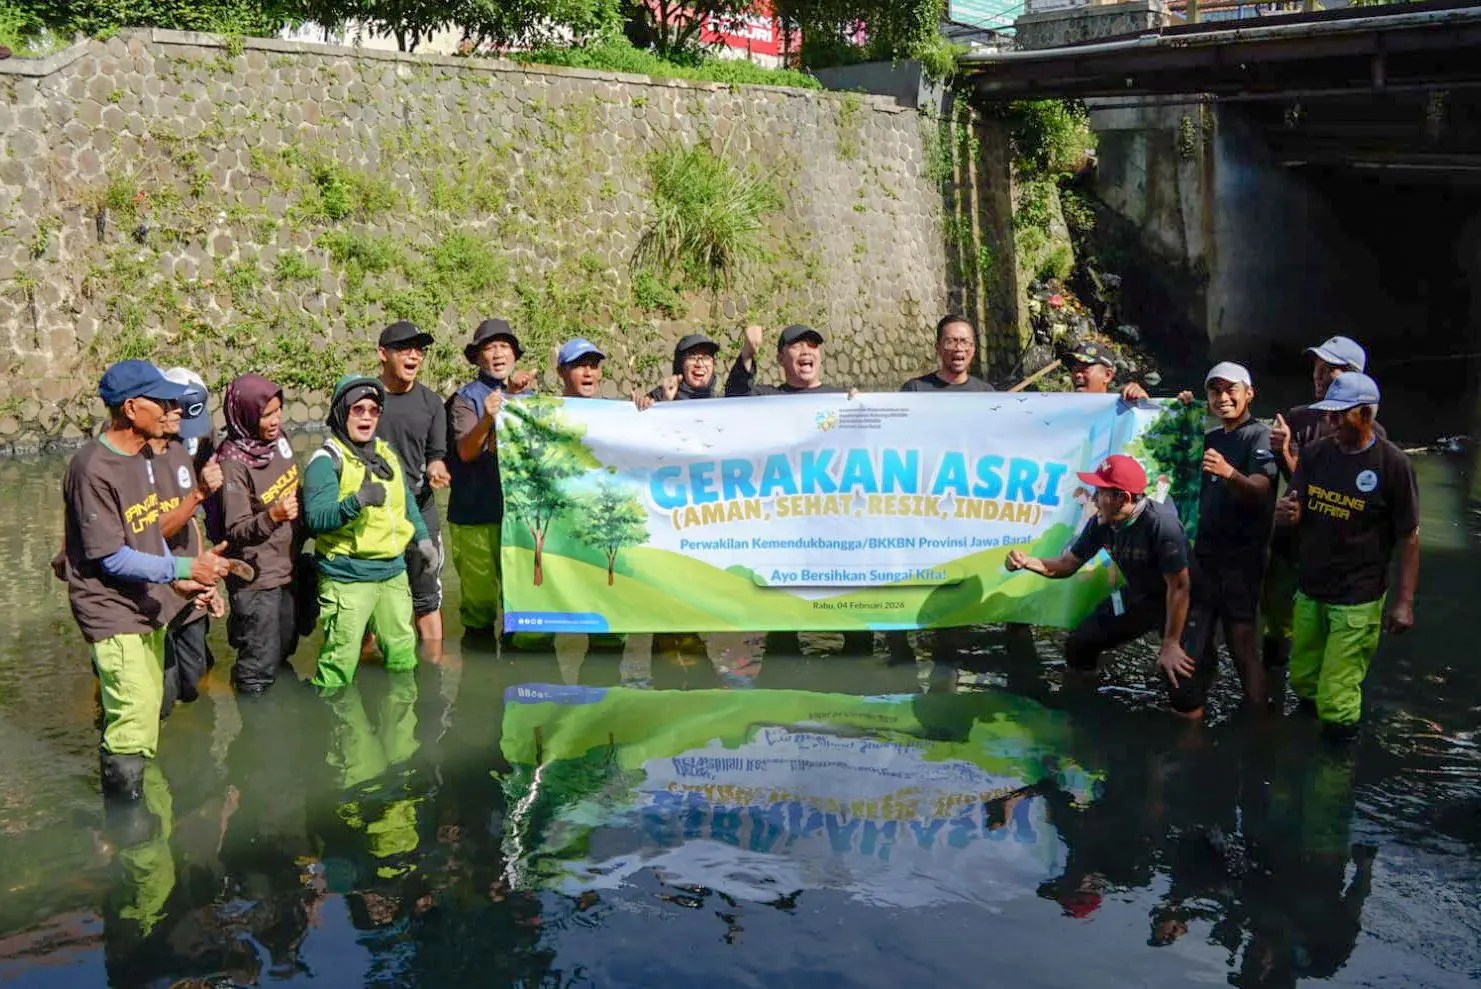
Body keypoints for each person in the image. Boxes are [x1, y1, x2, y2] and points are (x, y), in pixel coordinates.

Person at [61, 360, 232, 801]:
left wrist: (184, 583)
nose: (172, 410)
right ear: (132, 408)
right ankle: (126, 821)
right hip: (112, 613)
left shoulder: (140, 459)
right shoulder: (92, 468)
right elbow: (112, 557)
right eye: (162, 402)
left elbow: (148, 536)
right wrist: (184, 569)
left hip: (148, 603)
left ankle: (150, 811)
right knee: (131, 726)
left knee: (149, 712)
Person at [1003, 454, 1211, 717]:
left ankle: (1190, 731)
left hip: (1187, 603)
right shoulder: (1102, 523)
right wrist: (1027, 562)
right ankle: (1080, 708)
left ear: (1122, 497)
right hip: (1142, 596)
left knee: (1181, 685)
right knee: (1079, 645)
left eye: (1100, 491)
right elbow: (1067, 564)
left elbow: (1180, 587)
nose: (1094, 497)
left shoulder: (1162, 525)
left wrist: (1170, 643)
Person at [1275, 372, 1418, 739]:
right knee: (1304, 680)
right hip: (1311, 587)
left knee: (1337, 699)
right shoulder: (1315, 454)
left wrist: (1404, 602)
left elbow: (1409, 537)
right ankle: (1302, 746)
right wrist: (1289, 514)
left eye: (1340, 415)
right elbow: (1294, 503)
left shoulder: (1393, 465)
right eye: (1329, 414)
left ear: (1366, 414)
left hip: (1357, 597)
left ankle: (1333, 765)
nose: (1331, 422)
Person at [303, 375, 436, 690]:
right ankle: (334, 716)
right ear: (341, 412)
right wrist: (357, 502)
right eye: (358, 409)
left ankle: (401, 717)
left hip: (393, 574)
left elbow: (407, 502)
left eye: (374, 410)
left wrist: (423, 539)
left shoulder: (386, 454)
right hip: (348, 577)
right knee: (338, 668)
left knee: (403, 658)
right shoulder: (326, 461)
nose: (366, 417)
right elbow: (315, 519)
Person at [1261, 335, 1382, 679]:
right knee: (1277, 621)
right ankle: (1272, 681)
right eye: (1317, 367)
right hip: (1290, 541)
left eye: (1329, 370)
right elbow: (1295, 482)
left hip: (1334, 552)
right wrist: (1281, 451)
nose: (1318, 375)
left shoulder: (1374, 437)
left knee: (1324, 630)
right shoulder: (1298, 418)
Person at [1190, 362, 1279, 708]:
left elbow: (1261, 488)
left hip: (1242, 558)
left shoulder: (1260, 435)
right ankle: (1195, 707)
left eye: (1231, 390)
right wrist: (1178, 410)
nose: (1223, 398)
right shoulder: (1210, 438)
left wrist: (1229, 473)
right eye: (1215, 391)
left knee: (1241, 642)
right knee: (1198, 638)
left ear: (1249, 394)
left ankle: (1261, 720)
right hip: (1204, 554)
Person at [446, 319, 534, 636]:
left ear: (514, 355)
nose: (498, 354)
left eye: (504, 346)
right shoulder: (464, 399)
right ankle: (477, 662)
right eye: (490, 347)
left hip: (520, 518)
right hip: (474, 517)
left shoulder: (531, 398)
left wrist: (513, 396)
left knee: (524, 605)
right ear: (478, 357)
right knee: (479, 609)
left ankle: (519, 661)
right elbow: (467, 451)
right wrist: (488, 417)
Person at [219, 373, 304, 694]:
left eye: (278, 411)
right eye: (266, 415)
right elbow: (235, 529)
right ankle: (252, 714)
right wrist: (273, 516)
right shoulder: (233, 463)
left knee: (284, 648)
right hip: (257, 577)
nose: (275, 420)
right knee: (257, 666)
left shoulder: (279, 441)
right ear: (246, 415)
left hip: (288, 566)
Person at [151, 368, 226, 714]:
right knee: (160, 695)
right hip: (154, 585)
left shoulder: (183, 451)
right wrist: (198, 494)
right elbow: (145, 536)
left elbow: (191, 522)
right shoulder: (133, 462)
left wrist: (205, 576)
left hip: (188, 581)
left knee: (193, 681)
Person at [373, 320, 451, 642]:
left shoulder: (431, 403)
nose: (414, 356)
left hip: (420, 512)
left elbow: (436, 454)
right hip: (374, 515)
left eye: (419, 350)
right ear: (383, 354)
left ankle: (434, 662)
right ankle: (368, 662)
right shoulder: (365, 399)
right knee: (370, 602)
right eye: (404, 349)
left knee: (427, 599)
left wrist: (436, 469)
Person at [724, 323, 855, 397]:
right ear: (780, 359)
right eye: (797, 346)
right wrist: (747, 353)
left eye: (812, 345)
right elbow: (736, 395)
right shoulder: (770, 398)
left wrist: (860, 404)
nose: (806, 351)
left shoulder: (842, 398)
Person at [901, 315, 994, 392]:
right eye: (950, 342)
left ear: (973, 348)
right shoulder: (916, 390)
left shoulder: (985, 393)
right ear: (938, 348)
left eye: (965, 342)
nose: (958, 348)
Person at [637, 333, 722, 408]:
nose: (700, 364)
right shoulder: (658, 397)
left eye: (706, 357)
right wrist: (665, 402)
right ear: (680, 364)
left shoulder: (722, 403)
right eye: (692, 357)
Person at [1067, 341, 1150, 402]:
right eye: (1075, 369)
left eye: (1084, 369)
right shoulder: (1064, 408)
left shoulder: (1123, 407)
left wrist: (1143, 402)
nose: (1077, 374)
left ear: (1107, 375)